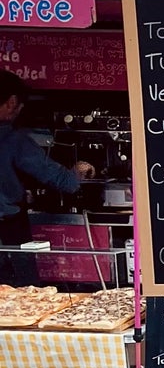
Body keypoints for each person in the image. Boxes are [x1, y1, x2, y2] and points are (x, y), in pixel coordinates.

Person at [0, 69, 94, 282]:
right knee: (22, 296)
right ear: (12, 102)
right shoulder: (14, 140)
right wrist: (80, 169)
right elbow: (66, 182)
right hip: (8, 230)